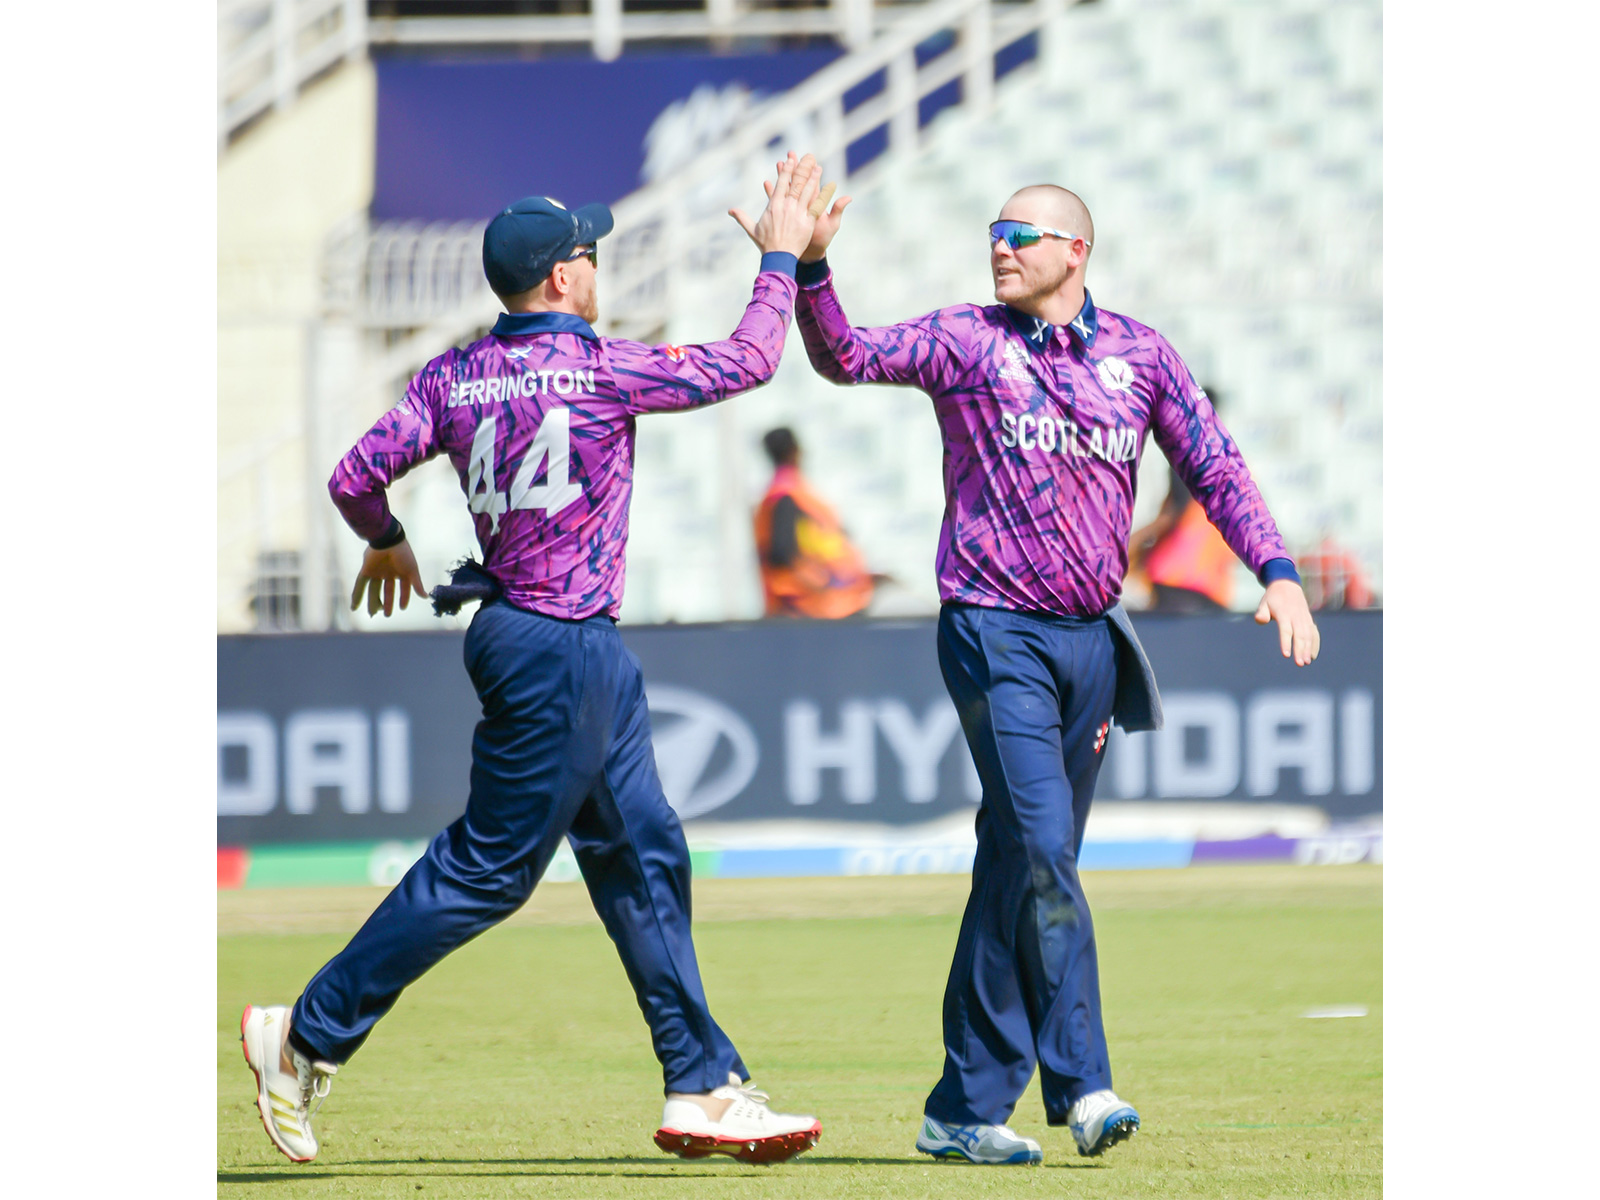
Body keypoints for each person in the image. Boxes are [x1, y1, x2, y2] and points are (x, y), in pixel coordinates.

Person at [239, 156, 826, 1166]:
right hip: (561, 642)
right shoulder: (603, 367)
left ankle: (701, 1085)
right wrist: (781, 257)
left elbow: (353, 476)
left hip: (540, 637)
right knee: (492, 870)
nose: (597, 268)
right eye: (588, 255)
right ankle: (303, 1036)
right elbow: (746, 360)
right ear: (562, 278)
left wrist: (384, 535)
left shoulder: (452, 374)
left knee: (642, 852)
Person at [794, 183, 1320, 1165]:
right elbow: (846, 356)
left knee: (1016, 864)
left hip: (1091, 641)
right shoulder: (966, 340)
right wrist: (812, 268)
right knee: (1042, 854)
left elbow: (1213, 465)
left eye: (1018, 236)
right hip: (994, 631)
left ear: (1073, 250)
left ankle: (960, 1106)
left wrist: (1279, 574)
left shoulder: (1141, 355)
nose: (998, 249)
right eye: (992, 235)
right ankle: (1082, 1085)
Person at [1127, 386, 1241, 614]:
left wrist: (1131, 548)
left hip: (1178, 580)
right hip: (1213, 587)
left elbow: (1172, 515)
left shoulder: (1188, 454)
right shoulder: (1233, 465)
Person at [753, 425, 875, 617]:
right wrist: (822, 583)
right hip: (811, 607)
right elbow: (783, 552)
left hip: (827, 602)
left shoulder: (789, 494)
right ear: (796, 450)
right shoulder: (785, 496)